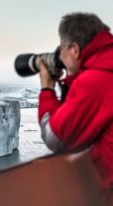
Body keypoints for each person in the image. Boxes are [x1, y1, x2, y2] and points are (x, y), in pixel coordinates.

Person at [38, 12, 113, 205]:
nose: (59, 56)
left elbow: (55, 137)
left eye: (60, 49)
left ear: (74, 50)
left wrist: (47, 88)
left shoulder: (94, 81)